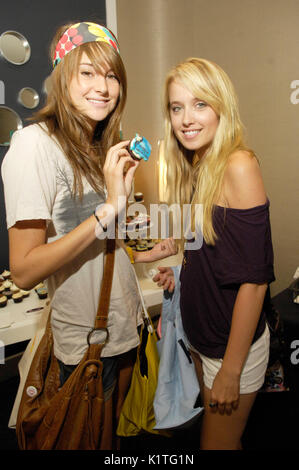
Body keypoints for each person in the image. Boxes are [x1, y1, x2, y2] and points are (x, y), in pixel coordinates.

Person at [1, 21, 176, 448]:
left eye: (112, 75)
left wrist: (146, 253)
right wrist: (108, 210)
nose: (103, 86)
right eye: (88, 73)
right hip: (85, 351)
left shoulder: (98, 145)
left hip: (124, 335)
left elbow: (99, 248)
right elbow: (24, 271)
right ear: (63, 76)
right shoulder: (34, 146)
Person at [154, 57, 275, 450]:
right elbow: (206, 245)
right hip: (202, 337)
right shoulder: (197, 162)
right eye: (177, 107)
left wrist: (232, 370)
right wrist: (182, 276)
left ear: (221, 105)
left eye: (200, 104)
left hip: (230, 349)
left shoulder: (238, 165)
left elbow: (254, 282)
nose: (186, 118)